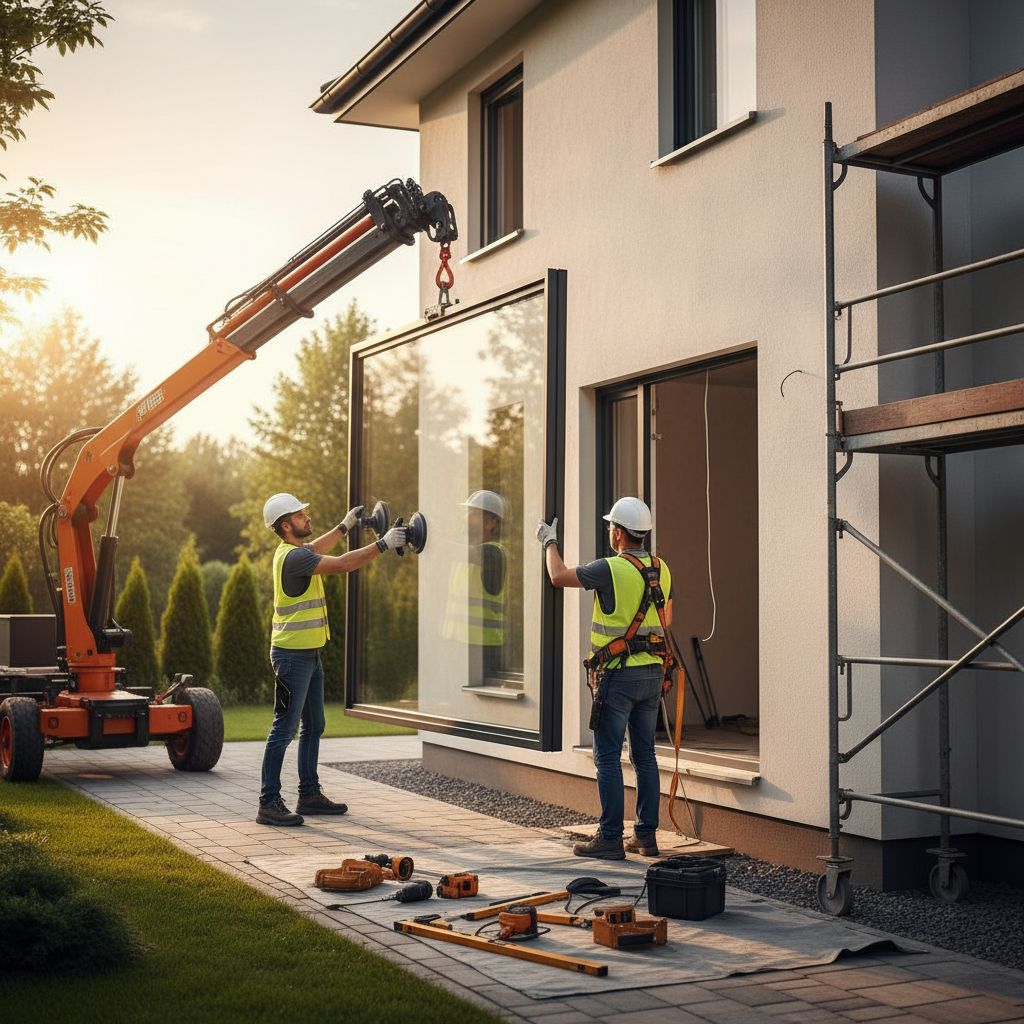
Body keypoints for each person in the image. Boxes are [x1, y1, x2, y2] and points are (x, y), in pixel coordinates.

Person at [257, 492, 407, 826]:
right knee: (284, 728)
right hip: (291, 658)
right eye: (300, 515)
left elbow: (319, 547)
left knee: (315, 726)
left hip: (308, 654)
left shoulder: (295, 551)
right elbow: (342, 564)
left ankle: (309, 795)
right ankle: (268, 802)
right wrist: (383, 544)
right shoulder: (293, 558)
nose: (307, 517)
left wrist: (344, 525)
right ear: (286, 525)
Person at [536, 497, 672, 859]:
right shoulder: (662, 569)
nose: (610, 531)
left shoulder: (609, 568)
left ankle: (610, 837)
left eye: (611, 526)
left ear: (619, 533)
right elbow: (667, 619)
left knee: (607, 757)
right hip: (652, 675)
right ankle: (645, 837)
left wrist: (549, 542)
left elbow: (557, 576)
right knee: (645, 756)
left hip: (618, 676)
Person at [442, 490, 508, 683]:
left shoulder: (495, 553)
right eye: (467, 513)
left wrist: (424, 536)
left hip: (483, 650)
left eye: (473, 514)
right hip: (457, 645)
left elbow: (451, 550)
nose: (467, 518)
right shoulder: (464, 558)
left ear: (491, 523)